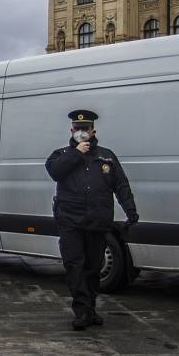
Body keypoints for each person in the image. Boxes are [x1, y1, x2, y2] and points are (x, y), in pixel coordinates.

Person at [45, 110, 138, 331]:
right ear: (71, 131)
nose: (81, 133)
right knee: (74, 266)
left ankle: (91, 308)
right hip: (70, 222)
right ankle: (81, 310)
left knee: (93, 268)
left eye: (85, 129)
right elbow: (55, 172)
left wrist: (130, 210)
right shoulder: (61, 154)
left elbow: (121, 185)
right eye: (77, 129)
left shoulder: (106, 156)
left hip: (97, 221)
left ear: (93, 131)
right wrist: (76, 153)